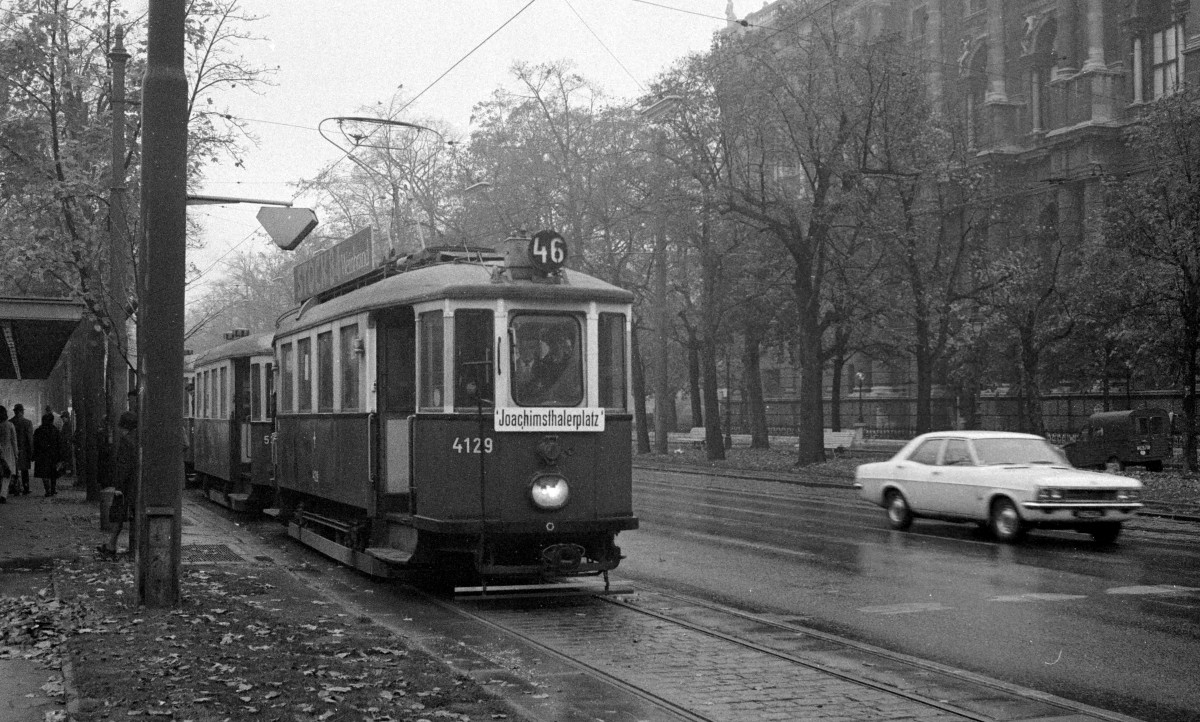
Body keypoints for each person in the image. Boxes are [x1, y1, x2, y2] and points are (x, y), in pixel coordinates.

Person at [100, 410, 138, 556]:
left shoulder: (126, 441)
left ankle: (111, 545)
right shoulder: (138, 438)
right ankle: (113, 544)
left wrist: (118, 486)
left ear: (124, 427)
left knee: (118, 514)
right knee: (128, 514)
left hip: (127, 485)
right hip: (135, 483)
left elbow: (123, 465)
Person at [32, 413, 63, 497]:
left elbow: (35, 443)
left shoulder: (38, 431)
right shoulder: (55, 431)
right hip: (53, 455)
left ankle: (47, 489)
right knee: (53, 472)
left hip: (42, 455)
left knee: (44, 473)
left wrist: (34, 454)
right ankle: (53, 489)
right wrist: (60, 456)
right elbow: (59, 444)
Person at [11, 404, 33, 495]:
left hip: (13, 449)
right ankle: (26, 488)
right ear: (21, 412)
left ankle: (14, 488)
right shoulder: (27, 422)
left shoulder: (10, 422)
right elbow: (30, 439)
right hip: (24, 450)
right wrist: (31, 451)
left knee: (14, 470)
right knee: (24, 471)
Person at [0, 407, 16, 503]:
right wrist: (16, 453)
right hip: (8, 451)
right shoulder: (10, 425)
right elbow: (14, 441)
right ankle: (3, 494)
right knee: (7, 473)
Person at [58, 410, 74, 476]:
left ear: (66, 417)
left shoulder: (68, 425)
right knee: (66, 458)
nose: (62, 419)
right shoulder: (66, 424)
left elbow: (66, 435)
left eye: (63, 418)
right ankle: (67, 470)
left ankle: (69, 471)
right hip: (66, 443)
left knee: (68, 458)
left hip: (67, 444)